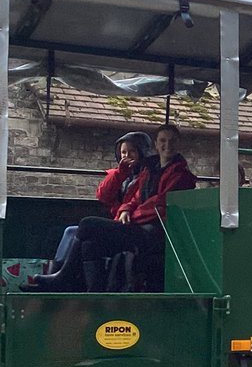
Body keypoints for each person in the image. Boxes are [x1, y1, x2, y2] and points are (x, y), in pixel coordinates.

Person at [25, 124, 196, 293]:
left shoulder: (181, 175)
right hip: (135, 224)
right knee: (90, 244)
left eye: (172, 141)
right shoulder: (150, 169)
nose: (167, 145)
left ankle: (62, 278)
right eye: (163, 141)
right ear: (157, 144)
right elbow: (131, 197)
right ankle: (94, 293)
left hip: (155, 231)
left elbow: (161, 203)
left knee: (87, 224)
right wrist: (126, 209)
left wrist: (131, 216)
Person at [48, 130, 154, 273]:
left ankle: (61, 275)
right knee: (72, 233)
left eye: (132, 151)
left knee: (85, 226)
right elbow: (103, 196)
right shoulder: (121, 174)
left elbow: (139, 200)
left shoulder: (148, 176)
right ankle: (57, 272)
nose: (127, 156)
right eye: (123, 153)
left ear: (142, 152)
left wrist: (125, 210)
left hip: (129, 223)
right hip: (117, 220)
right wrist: (120, 173)